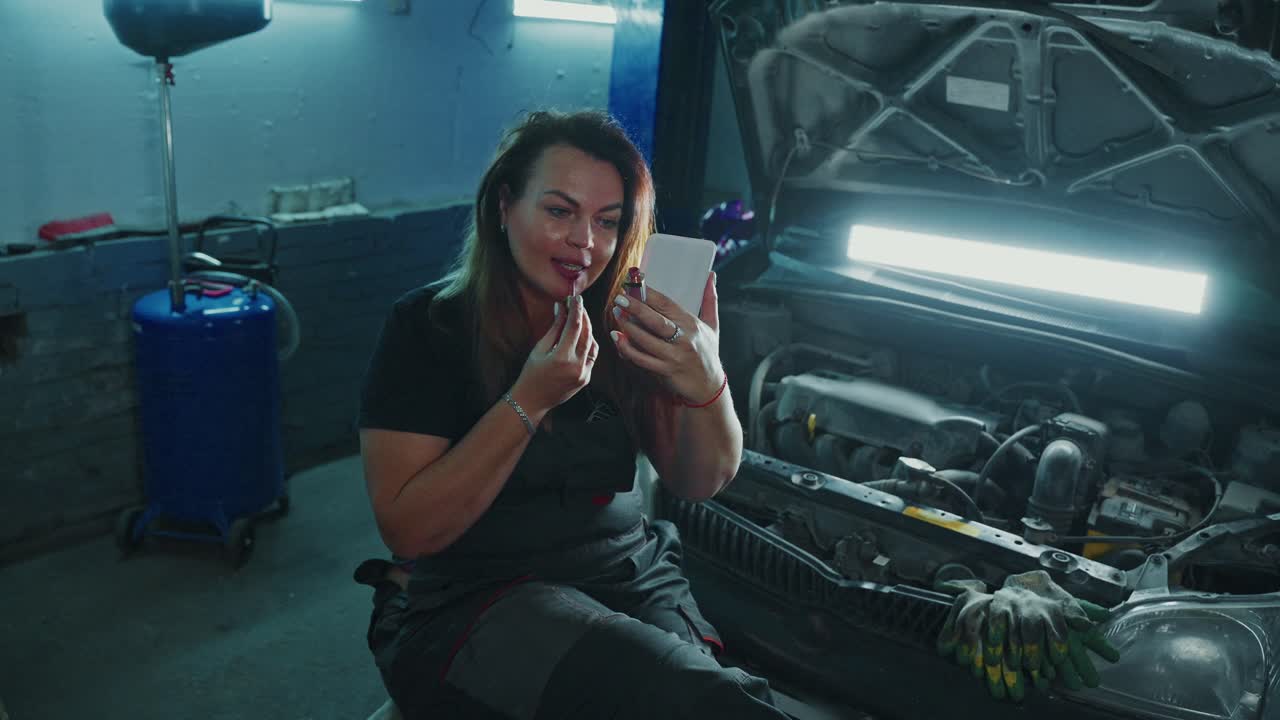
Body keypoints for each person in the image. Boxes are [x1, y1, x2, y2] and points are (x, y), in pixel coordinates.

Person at [352, 109, 792, 719]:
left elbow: (700, 479)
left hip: (626, 572)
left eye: (608, 222)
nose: (586, 242)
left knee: (711, 691)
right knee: (695, 699)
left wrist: (706, 382)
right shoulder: (427, 327)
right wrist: (530, 399)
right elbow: (409, 529)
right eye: (559, 211)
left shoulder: (626, 325)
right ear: (504, 207)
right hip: (475, 597)